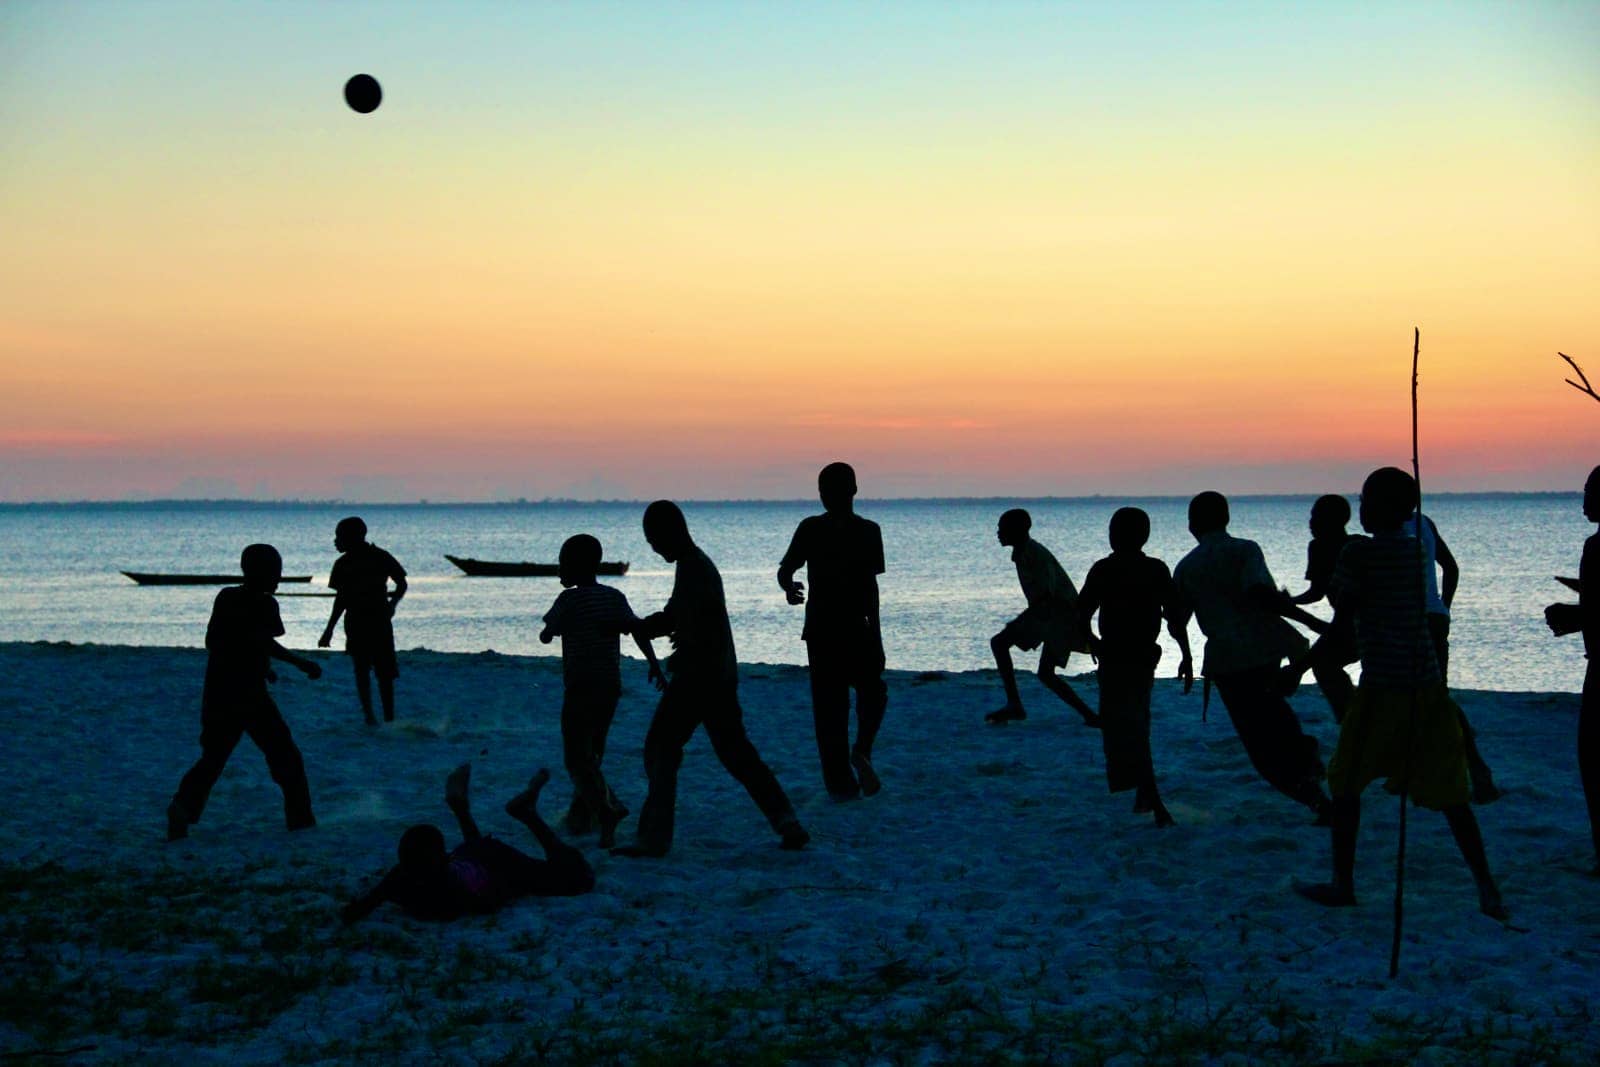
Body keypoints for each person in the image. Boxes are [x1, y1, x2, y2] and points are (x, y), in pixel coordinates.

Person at [1296, 468, 1506, 919]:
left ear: (1386, 508)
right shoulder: (1415, 551)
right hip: (1425, 685)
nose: (1361, 506)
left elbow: (1340, 623)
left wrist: (1297, 666)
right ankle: (1486, 886)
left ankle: (1342, 883)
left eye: (1367, 499)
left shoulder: (1356, 553)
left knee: (1345, 781)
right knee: (1451, 794)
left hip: (1383, 687)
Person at [613, 501, 809, 857]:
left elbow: (684, 623)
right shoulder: (694, 565)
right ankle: (787, 821)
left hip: (699, 676)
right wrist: (643, 627)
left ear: (669, 532)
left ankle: (654, 837)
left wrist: (651, 631)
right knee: (737, 754)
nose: (654, 548)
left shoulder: (694, 568)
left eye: (654, 540)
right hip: (718, 674)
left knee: (660, 748)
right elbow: (677, 616)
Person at [1170, 492, 1333, 822]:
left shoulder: (1187, 567)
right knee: (1275, 715)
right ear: (1226, 519)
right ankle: (1310, 769)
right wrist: (1311, 622)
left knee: (1259, 745)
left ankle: (1316, 795)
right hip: (1263, 648)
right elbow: (1262, 595)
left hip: (1228, 660)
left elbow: (1177, 619)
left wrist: (1186, 656)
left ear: (1191, 526)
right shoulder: (1245, 550)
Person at [167, 543, 322, 841]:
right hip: (248, 695)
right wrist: (302, 663)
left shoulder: (226, 597)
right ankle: (300, 820)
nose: (278, 579)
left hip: (218, 690)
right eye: (275, 572)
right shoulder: (265, 604)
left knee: (213, 757)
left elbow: (217, 641)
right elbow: (264, 642)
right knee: (286, 756)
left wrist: (262, 667)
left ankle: (182, 807)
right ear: (261, 573)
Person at [341, 763, 594, 923]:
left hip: (488, 863)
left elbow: (489, 902)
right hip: (479, 858)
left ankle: (521, 814)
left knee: (575, 878)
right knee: (576, 876)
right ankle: (475, 811)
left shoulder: (399, 880)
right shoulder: (434, 884)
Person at [540, 533, 664, 848]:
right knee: (593, 752)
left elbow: (546, 634)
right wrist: (654, 664)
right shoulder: (613, 596)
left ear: (574, 566)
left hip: (581, 685)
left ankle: (606, 812)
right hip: (610, 686)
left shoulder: (568, 600)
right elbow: (637, 630)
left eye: (562, 563)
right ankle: (582, 816)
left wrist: (551, 631)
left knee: (575, 755)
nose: (559, 569)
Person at [777, 461, 888, 800]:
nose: (826, 497)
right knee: (863, 696)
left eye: (829, 491)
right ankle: (857, 757)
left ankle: (846, 775)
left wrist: (788, 585)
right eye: (824, 491)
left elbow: (785, 570)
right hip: (845, 629)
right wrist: (789, 585)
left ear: (851, 491)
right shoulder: (863, 531)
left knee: (832, 710)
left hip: (829, 630)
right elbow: (870, 591)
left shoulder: (821, 529)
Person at [1076, 507, 1192, 827]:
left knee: (1125, 727)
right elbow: (1175, 618)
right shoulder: (1154, 569)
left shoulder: (1105, 569)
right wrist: (1186, 654)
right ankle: (1145, 792)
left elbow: (1080, 613)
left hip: (1120, 657)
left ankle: (1152, 798)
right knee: (1135, 724)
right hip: (1136, 658)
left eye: (1115, 529)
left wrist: (1093, 642)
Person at [1401, 508, 1501, 803]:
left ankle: (1472, 769)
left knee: (1431, 700)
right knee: (1433, 697)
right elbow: (1451, 568)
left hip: (1415, 621)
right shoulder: (1425, 522)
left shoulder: (1399, 534)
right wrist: (1444, 606)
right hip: (1434, 616)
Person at [985, 508, 1098, 726]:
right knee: (1045, 673)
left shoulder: (1032, 553)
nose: (998, 532)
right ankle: (1090, 716)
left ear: (1017, 530)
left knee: (1002, 645)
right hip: (1050, 616)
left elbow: (1047, 595)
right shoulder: (1023, 552)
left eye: (1003, 528)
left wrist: (1021, 620)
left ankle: (1015, 705)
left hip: (1058, 617)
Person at [1544, 464, 1600, 874]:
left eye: (1590, 491)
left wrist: (1574, 615)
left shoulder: (1597, 547)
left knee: (1593, 761)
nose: (1584, 498)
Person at [318, 516, 408, 725]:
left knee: (381, 672)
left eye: (339, 536)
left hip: (376, 619)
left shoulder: (377, 557)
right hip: (359, 621)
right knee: (364, 669)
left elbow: (401, 583)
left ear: (352, 537)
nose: (336, 541)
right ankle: (371, 716)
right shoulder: (343, 563)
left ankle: (385, 717)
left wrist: (392, 604)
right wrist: (329, 629)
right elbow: (341, 599)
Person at [1280, 495, 1357, 722]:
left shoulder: (1352, 547)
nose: (1311, 523)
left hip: (1355, 624)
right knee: (1324, 664)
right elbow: (1316, 592)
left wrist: (1291, 604)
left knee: (1323, 663)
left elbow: (1317, 593)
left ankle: (1349, 716)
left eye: (1317, 518)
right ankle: (1348, 714)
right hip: (1344, 624)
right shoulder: (1318, 547)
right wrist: (1292, 601)